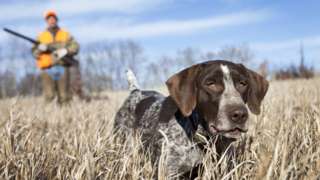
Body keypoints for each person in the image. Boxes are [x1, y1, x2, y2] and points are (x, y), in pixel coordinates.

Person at [32, 10, 86, 104]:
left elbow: (76, 47)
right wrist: (40, 49)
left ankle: (66, 116)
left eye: (53, 18)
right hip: (47, 68)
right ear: (46, 21)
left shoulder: (65, 34)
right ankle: (49, 117)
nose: (51, 21)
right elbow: (34, 53)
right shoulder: (41, 36)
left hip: (63, 67)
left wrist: (66, 51)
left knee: (65, 97)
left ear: (56, 20)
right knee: (49, 96)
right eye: (49, 19)